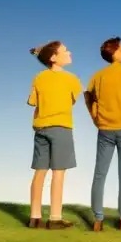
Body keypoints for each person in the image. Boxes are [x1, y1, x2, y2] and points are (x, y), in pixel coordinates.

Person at [84, 36, 121, 232]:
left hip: (105, 130)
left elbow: (88, 95)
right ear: (115, 53)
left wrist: (95, 117)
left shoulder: (97, 76)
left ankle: (97, 219)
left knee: (99, 173)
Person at [27, 41, 84, 229]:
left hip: (41, 128)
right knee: (58, 173)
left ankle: (35, 217)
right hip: (61, 128)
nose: (69, 52)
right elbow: (73, 100)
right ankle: (55, 218)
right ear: (53, 57)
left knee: (39, 172)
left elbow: (32, 102)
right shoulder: (72, 79)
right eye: (65, 50)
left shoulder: (38, 77)